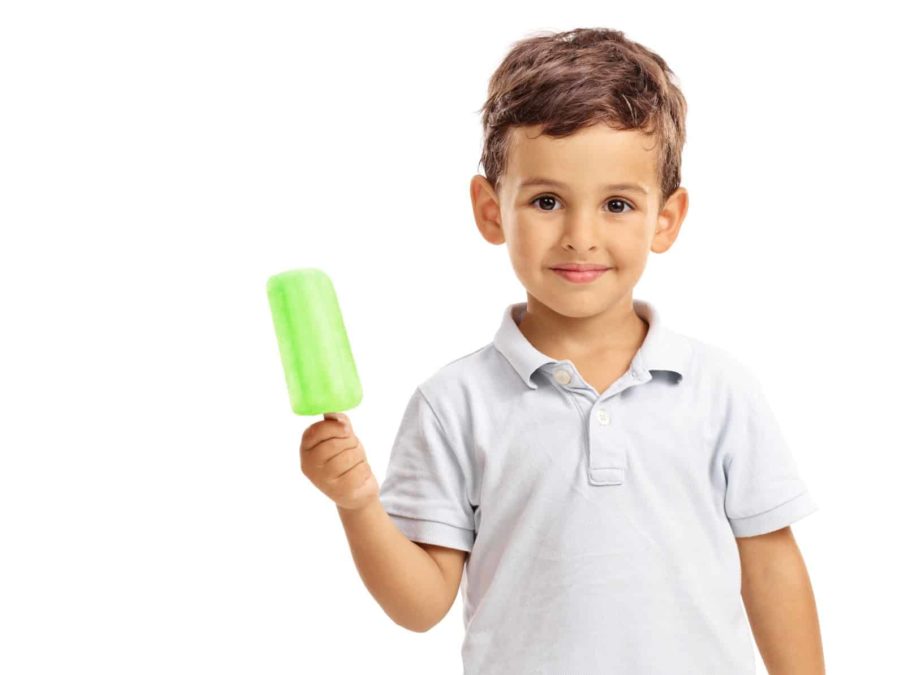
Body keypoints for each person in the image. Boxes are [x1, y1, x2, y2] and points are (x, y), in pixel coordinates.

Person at [299, 27, 824, 675]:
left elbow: (771, 565)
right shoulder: (453, 403)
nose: (581, 236)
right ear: (491, 210)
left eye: (617, 204)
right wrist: (357, 503)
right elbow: (420, 604)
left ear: (666, 218)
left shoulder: (718, 389)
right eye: (546, 200)